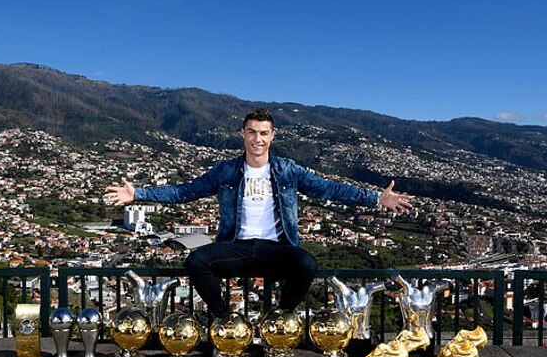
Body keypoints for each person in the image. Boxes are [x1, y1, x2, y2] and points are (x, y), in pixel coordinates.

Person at [105, 108, 413, 318]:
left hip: (276, 248)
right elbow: (185, 191)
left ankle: (280, 318)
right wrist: (137, 194)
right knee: (196, 260)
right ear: (242, 134)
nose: (258, 139)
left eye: (264, 133)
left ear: (273, 135)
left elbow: (330, 189)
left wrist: (376, 198)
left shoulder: (287, 170)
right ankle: (225, 318)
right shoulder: (227, 171)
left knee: (306, 263)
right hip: (236, 247)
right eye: (252, 132)